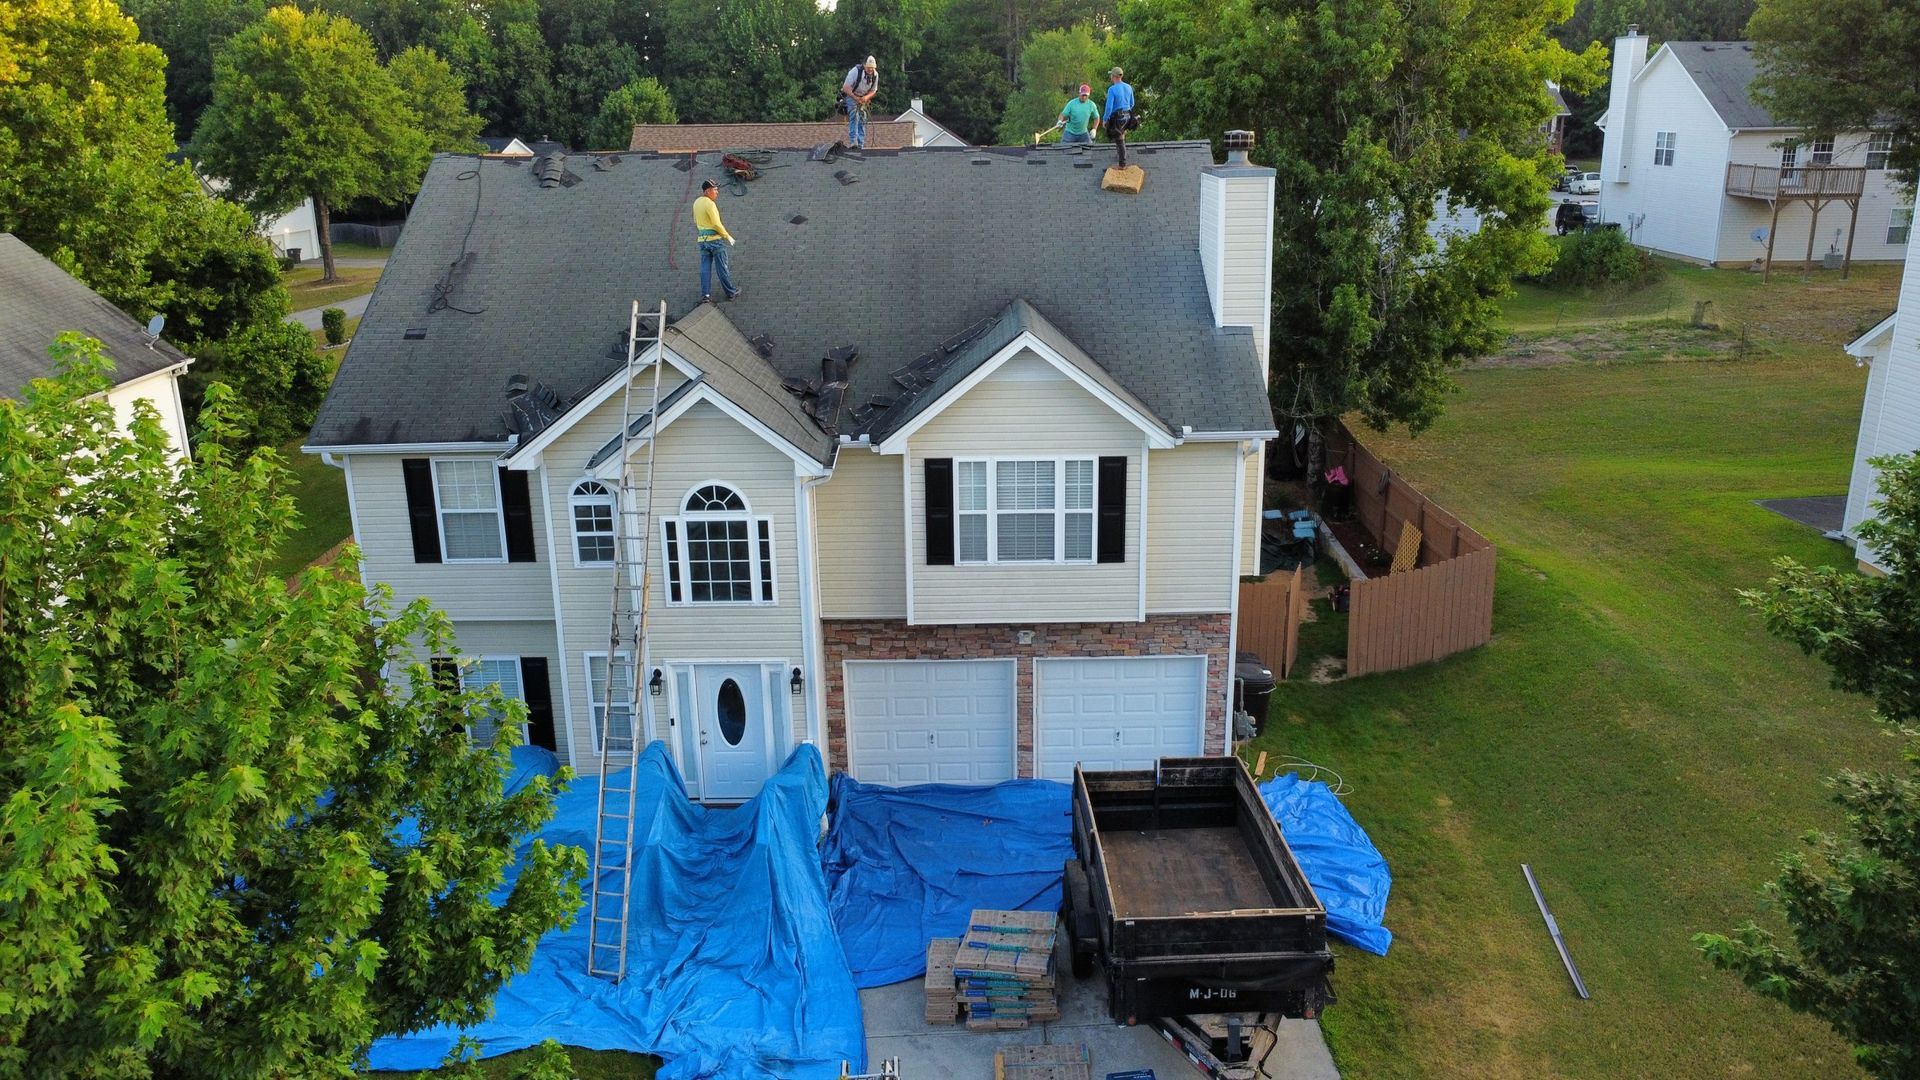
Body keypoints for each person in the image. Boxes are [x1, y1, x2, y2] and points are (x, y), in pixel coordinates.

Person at [692, 179, 740, 302]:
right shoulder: (710, 204)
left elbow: (696, 221)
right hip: (715, 240)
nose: (717, 192)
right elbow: (716, 224)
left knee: (705, 268)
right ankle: (730, 292)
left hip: (702, 240)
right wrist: (727, 236)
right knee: (722, 267)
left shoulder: (696, 202)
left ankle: (705, 295)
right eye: (715, 190)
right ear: (707, 191)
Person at [1097, 66, 1136, 168]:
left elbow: (1109, 107)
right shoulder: (1128, 87)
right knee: (1122, 135)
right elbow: (1132, 103)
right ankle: (1120, 155)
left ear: (1113, 76)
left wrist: (1105, 119)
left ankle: (1122, 164)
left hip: (1119, 117)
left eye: (1111, 75)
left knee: (1119, 139)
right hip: (1128, 116)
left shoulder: (1112, 89)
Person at [841, 55, 879, 148]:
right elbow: (845, 88)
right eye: (869, 68)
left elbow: (873, 90)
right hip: (851, 95)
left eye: (872, 68)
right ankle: (853, 142)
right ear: (865, 66)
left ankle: (860, 144)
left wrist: (866, 97)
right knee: (855, 115)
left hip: (863, 98)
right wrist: (855, 97)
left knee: (863, 118)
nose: (870, 70)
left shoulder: (875, 75)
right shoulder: (855, 71)